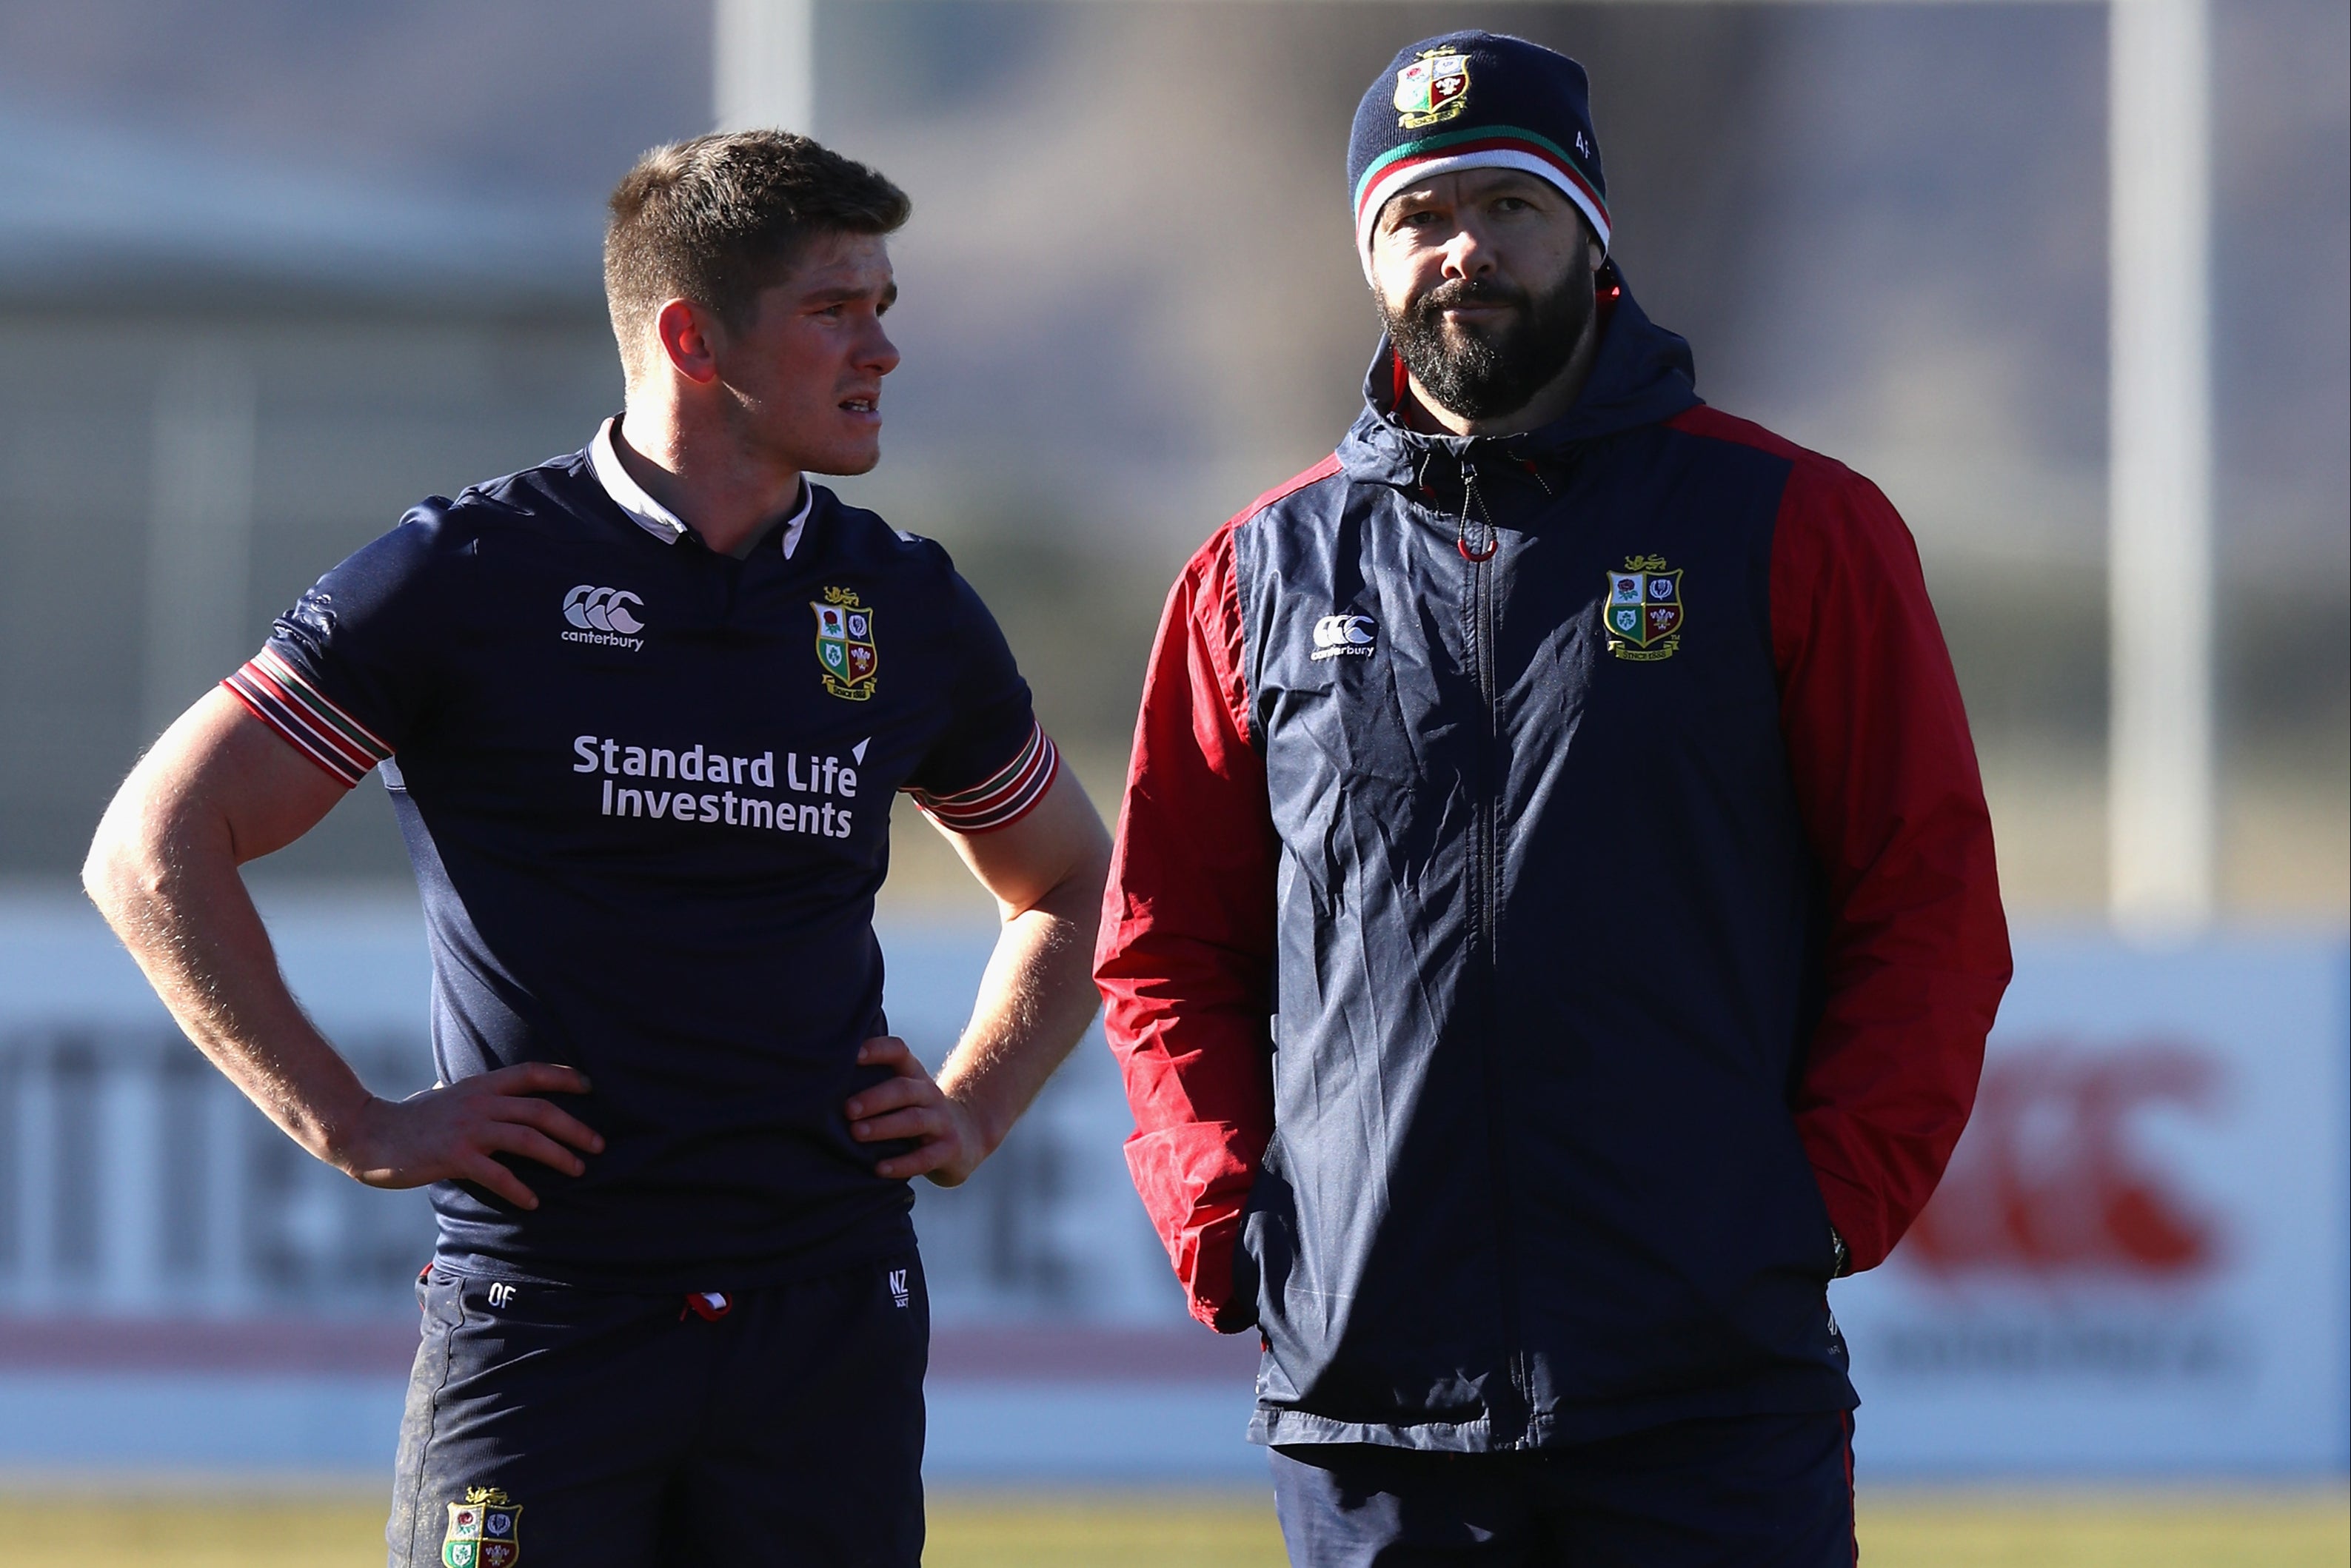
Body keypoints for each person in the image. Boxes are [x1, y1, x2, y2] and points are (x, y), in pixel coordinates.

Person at [83, 130, 1108, 1568]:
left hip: (825, 1321)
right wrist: (355, 1123)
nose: (881, 350)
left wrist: (977, 1103)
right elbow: (153, 846)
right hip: (549, 1314)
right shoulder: (468, 573)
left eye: (886, 306)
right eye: (835, 309)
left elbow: (1070, 878)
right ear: (693, 337)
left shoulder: (905, 607)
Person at [1095, 32, 2011, 1567]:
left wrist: (1817, 1208)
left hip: (1705, 1398)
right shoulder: (1252, 577)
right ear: (1372, 259)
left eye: (1509, 208)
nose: (1466, 252)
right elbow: (1162, 946)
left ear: (1591, 229)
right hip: (1370, 1413)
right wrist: (1224, 1213)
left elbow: (1923, 901)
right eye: (1419, 216)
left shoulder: (1795, 528)